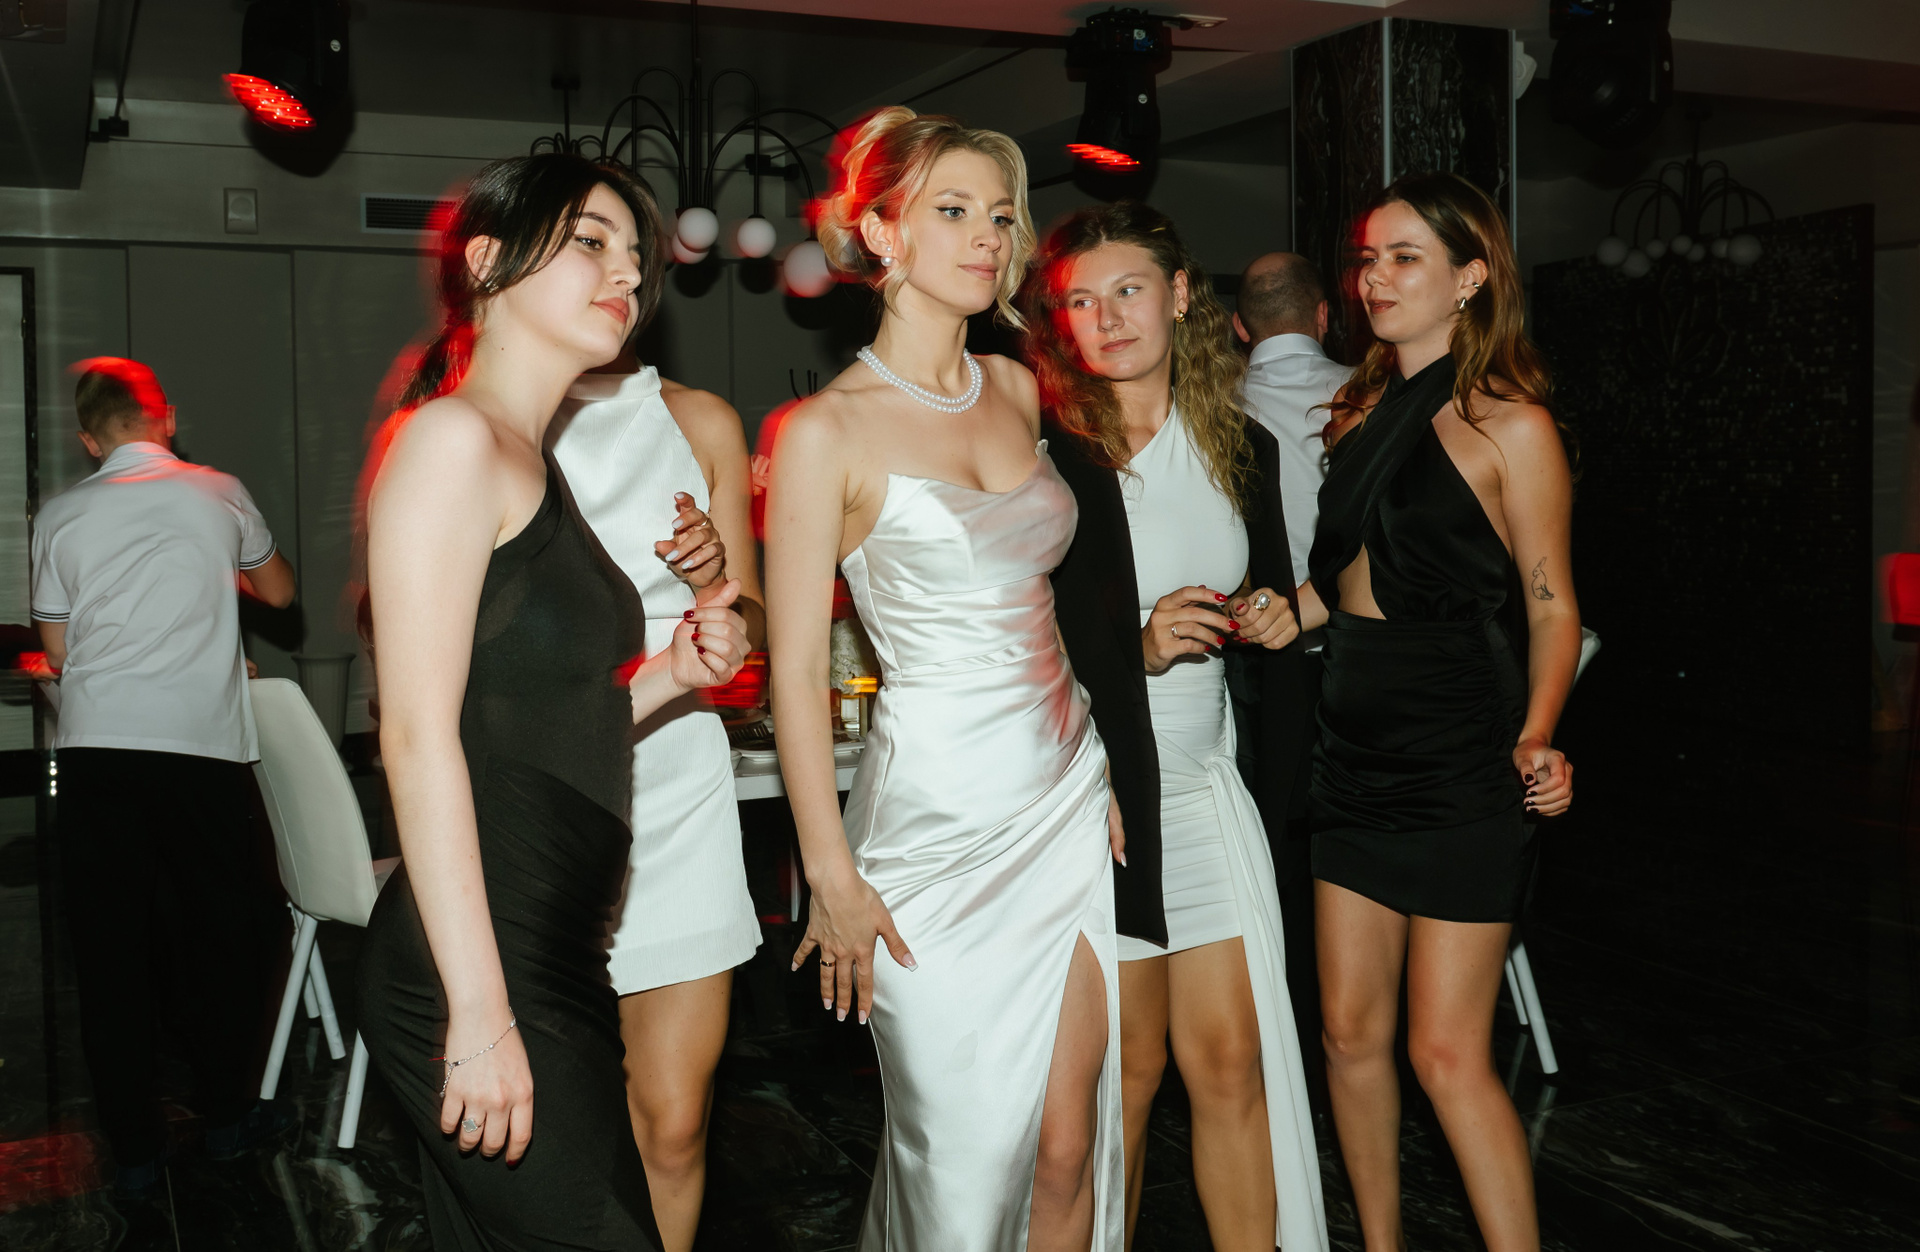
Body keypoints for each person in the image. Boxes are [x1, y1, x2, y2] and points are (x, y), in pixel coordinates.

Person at [353, 152, 750, 1252]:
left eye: (635, 256)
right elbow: (417, 737)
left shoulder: (529, 461)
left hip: (553, 942)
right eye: (590, 241)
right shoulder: (452, 441)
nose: (627, 272)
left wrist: (672, 674)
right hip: (487, 955)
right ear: (487, 262)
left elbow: (540, 722)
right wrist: (481, 1012)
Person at [765, 107, 1125, 1251]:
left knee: (1068, 1146)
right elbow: (793, 673)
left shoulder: (1016, 390)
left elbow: (1047, 608)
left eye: (1001, 217)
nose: (987, 237)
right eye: (954, 210)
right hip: (929, 841)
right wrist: (829, 872)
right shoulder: (826, 431)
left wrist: (1099, 758)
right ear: (882, 232)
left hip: (1063, 805)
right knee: (964, 1185)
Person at [1023, 202, 1325, 1252]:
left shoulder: (1242, 447)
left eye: (1128, 290)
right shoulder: (1047, 456)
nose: (1106, 318)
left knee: (1232, 1062)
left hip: (1204, 787)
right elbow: (1013, 639)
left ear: (1182, 294)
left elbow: (1273, 597)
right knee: (1129, 1074)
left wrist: (1275, 616)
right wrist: (1135, 652)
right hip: (1098, 796)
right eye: (1080, 301)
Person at [1291, 172, 1579, 1251]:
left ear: (1469, 277)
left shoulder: (1513, 426)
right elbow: (1346, 579)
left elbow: (1552, 605)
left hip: (1460, 749)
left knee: (1446, 1052)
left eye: (1405, 256)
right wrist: (1282, 611)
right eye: (1367, 257)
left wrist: (1538, 731)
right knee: (1347, 1035)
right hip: (1351, 742)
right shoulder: (1357, 410)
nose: (1375, 277)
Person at [30, 357, 296, 1193]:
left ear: (88, 439)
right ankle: (224, 1118)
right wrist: (208, 578)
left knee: (110, 953)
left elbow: (60, 652)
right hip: (200, 752)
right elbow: (280, 593)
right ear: (167, 419)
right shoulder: (220, 490)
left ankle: (136, 1154)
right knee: (219, 938)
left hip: (98, 752)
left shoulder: (60, 514)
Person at [550, 345, 765, 1252]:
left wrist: (712, 585)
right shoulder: (487, 415)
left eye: (633, 270)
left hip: (676, 775)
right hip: (547, 783)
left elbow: (749, 637)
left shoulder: (700, 419)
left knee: (674, 1124)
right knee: (554, 1131)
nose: (618, 279)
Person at [1232, 250, 1352, 1090]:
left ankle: (1275, 1020)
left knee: (1267, 847)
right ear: (1322, 316)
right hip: (1361, 663)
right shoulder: (1371, 394)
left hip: (1256, 670)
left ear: (1241, 328)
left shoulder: (1211, 408)